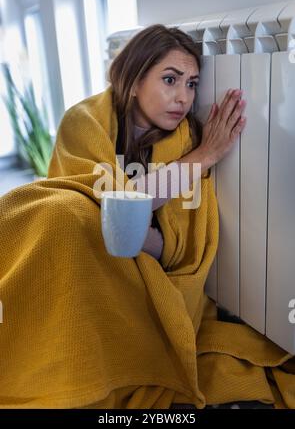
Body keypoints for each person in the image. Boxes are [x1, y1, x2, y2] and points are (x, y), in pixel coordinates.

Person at [0, 24, 294, 410]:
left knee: (67, 215)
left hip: (138, 274)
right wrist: (202, 159)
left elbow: (174, 250)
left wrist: (127, 227)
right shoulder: (84, 121)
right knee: (41, 208)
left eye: (191, 83)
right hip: (76, 248)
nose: (183, 97)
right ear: (135, 80)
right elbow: (103, 200)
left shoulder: (186, 141)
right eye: (170, 80)